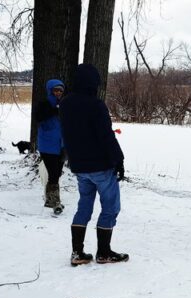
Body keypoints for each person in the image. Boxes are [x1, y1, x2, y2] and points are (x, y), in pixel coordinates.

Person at [59, 64, 128, 266]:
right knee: (110, 207)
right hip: (101, 166)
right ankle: (104, 252)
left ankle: (77, 252)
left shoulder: (65, 104)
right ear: (93, 83)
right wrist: (119, 159)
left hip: (80, 166)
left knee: (84, 207)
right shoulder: (95, 105)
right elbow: (106, 136)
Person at [34, 79, 66, 214]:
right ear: (50, 90)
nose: (58, 93)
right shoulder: (44, 104)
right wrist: (54, 111)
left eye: (60, 90)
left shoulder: (66, 103)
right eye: (55, 90)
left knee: (57, 173)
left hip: (61, 145)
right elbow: (38, 117)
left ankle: (52, 199)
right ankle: (54, 201)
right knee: (53, 173)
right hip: (47, 145)